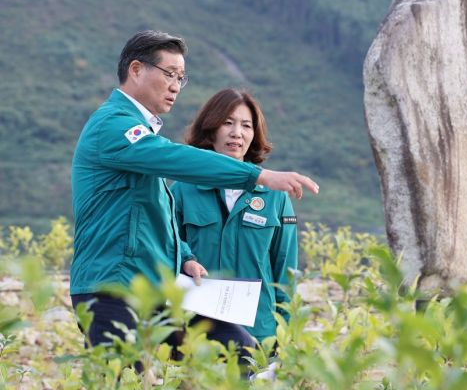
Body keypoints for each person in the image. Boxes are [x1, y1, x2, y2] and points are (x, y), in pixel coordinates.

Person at [70, 30, 318, 350]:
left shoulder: (140, 134)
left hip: (155, 291)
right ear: (135, 69)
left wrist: (184, 256)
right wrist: (259, 175)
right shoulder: (114, 125)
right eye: (170, 74)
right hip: (113, 288)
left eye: (181, 78)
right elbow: (174, 157)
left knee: (237, 353)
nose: (176, 85)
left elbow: (152, 215)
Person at [171, 89, 297, 346]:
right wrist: (187, 258)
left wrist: (285, 335)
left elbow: (285, 270)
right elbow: (166, 245)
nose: (236, 133)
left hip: (260, 332)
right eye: (227, 123)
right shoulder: (184, 189)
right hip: (199, 333)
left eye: (246, 125)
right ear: (210, 129)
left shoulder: (275, 195)